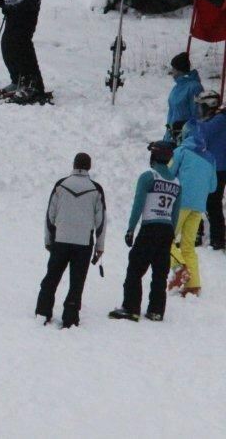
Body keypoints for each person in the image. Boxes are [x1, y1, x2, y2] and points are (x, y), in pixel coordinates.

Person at [110, 141, 182, 321]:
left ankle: (131, 307)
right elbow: (176, 212)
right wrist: (172, 232)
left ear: (154, 157)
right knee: (160, 272)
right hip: (166, 230)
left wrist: (130, 229)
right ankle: (156, 310)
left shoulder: (148, 177)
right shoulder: (176, 182)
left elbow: (138, 204)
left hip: (150, 227)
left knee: (135, 267)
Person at [35, 152, 106, 327]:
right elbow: (101, 221)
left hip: (61, 239)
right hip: (83, 243)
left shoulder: (61, 185)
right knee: (77, 282)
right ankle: (70, 317)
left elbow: (50, 215)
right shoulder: (96, 189)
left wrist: (48, 239)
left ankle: (43, 311)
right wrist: (100, 246)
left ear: (74, 165)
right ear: (89, 166)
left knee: (52, 277)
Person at [167, 122, 216, 297]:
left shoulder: (181, 151)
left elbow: (168, 173)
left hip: (180, 202)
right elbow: (212, 187)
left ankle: (179, 268)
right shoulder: (210, 158)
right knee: (188, 245)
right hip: (198, 206)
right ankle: (193, 284)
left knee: (167, 239)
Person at [194, 90, 226, 249]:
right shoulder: (217, 118)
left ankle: (218, 238)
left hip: (218, 169)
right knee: (210, 202)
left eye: (201, 107)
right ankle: (216, 236)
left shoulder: (219, 119)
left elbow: (203, 134)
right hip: (213, 167)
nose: (199, 111)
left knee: (213, 203)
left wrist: (191, 125)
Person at [164, 52, 203, 142]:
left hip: (186, 139)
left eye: (173, 68)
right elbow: (172, 113)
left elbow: (198, 116)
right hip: (172, 136)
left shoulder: (195, 87)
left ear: (179, 70)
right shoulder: (176, 87)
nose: (171, 71)